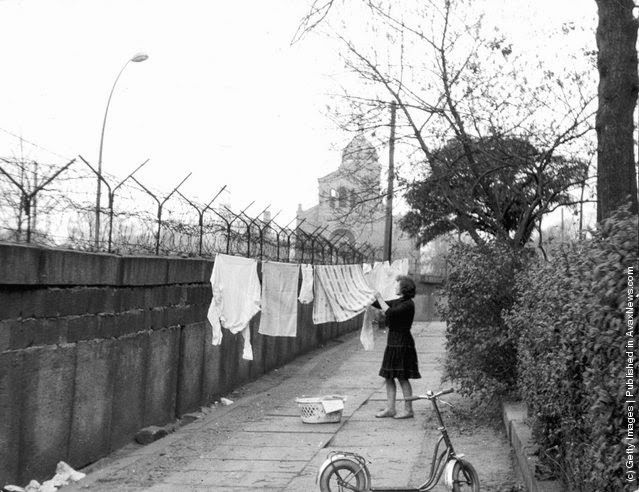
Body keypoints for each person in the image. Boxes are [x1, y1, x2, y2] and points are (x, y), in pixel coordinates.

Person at [372, 275, 421, 419]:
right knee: (388, 377)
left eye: (397, 284)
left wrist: (379, 298)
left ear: (404, 288)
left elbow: (390, 312)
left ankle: (408, 410)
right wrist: (367, 298)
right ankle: (391, 409)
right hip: (393, 342)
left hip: (402, 343)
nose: (395, 286)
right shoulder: (399, 301)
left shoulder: (408, 304)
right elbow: (381, 304)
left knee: (402, 377)